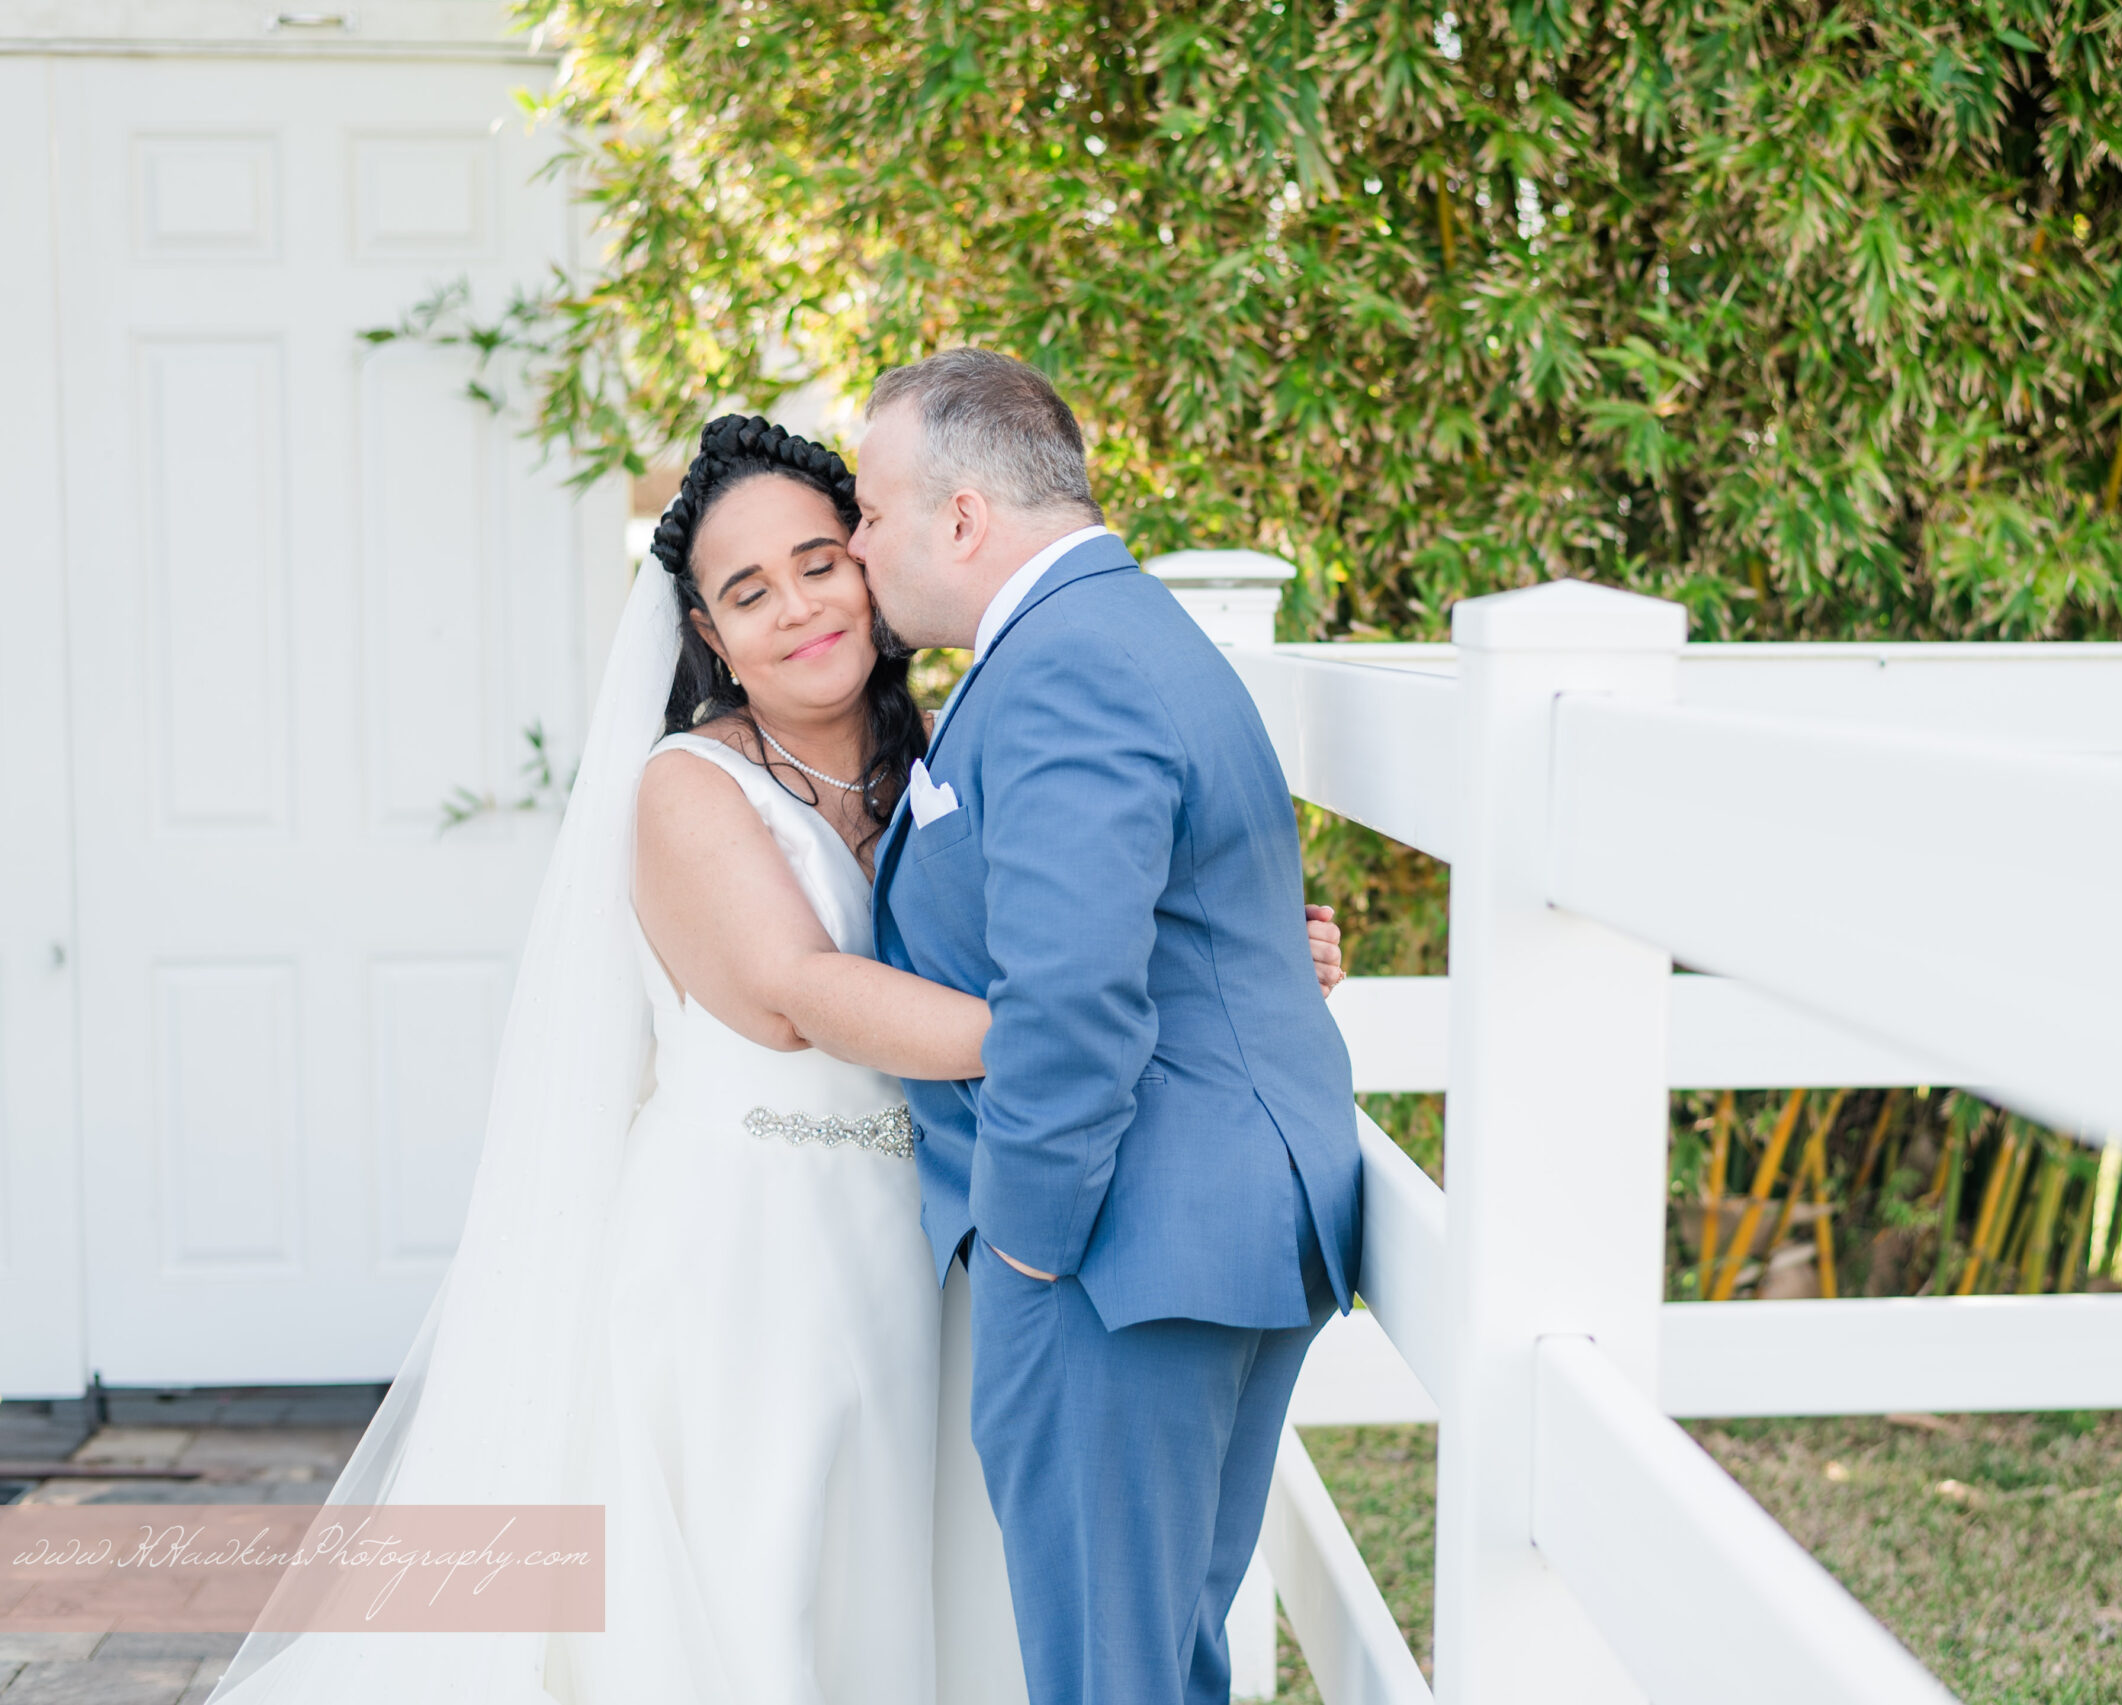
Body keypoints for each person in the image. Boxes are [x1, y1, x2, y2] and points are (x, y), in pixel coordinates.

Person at [206, 415, 1346, 1705]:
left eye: (822, 559)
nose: (801, 606)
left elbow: (1083, 892)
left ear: (871, 560)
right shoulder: (688, 789)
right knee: (763, 1588)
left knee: (915, 1592)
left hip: (922, 1248)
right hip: (749, 1258)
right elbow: (797, 995)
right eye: (750, 593)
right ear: (709, 638)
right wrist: (1115, 1018)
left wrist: (1221, 957)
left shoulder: (952, 741)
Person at [855, 350, 1364, 1705]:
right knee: (1157, 1668)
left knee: (1109, 1679)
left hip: (1118, 1256)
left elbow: (1073, 1002)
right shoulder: (1117, 630)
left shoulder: (1067, 662)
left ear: (961, 518)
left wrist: (1027, 1242)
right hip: (1206, 1230)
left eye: (867, 507)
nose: (855, 546)